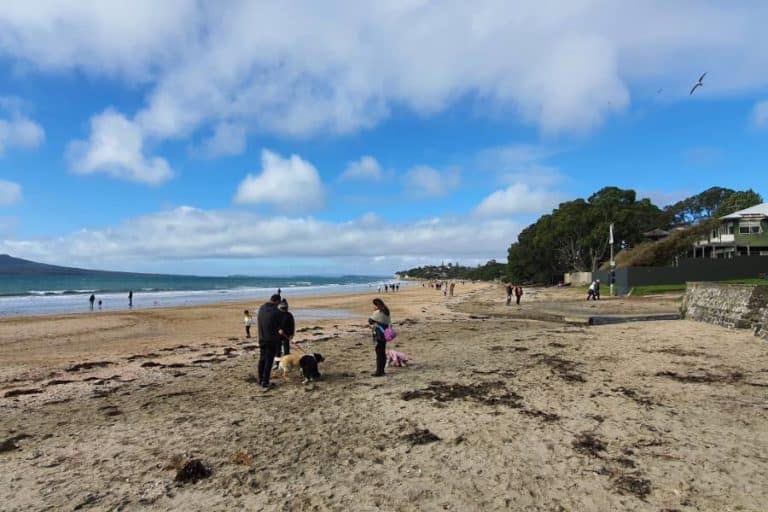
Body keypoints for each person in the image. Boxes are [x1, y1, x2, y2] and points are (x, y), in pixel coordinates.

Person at [257, 294, 282, 391]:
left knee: (262, 359)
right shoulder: (276, 312)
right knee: (268, 361)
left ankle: (260, 379)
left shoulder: (261, 308)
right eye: (278, 303)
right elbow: (278, 324)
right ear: (276, 301)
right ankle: (265, 382)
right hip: (270, 339)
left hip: (262, 338)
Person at [369, 297, 391, 377]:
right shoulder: (386, 312)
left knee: (379, 353)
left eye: (376, 304)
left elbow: (370, 320)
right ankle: (382, 370)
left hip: (378, 334)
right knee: (382, 352)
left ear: (378, 305)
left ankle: (379, 371)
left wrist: (374, 312)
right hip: (384, 334)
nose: (375, 306)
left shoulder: (379, 313)